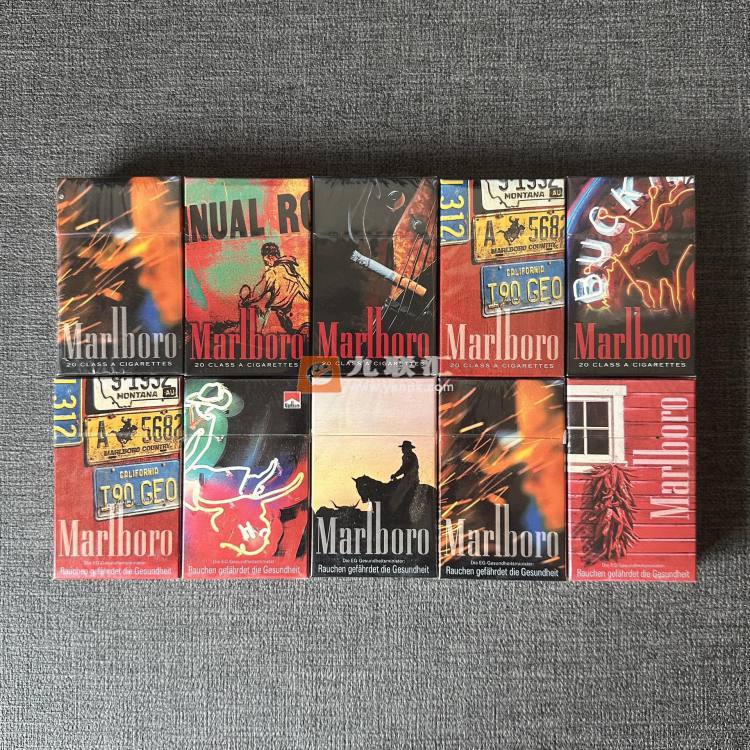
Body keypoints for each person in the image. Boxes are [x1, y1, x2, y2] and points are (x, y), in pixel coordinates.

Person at [238, 242, 309, 335]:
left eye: (266, 262)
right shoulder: (296, 277)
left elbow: (257, 295)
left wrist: (246, 301)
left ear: (270, 257)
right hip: (286, 321)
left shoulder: (271, 273)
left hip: (273, 318)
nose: (267, 264)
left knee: (263, 340)